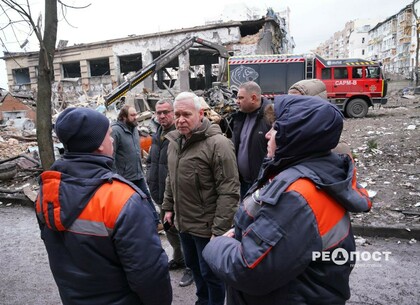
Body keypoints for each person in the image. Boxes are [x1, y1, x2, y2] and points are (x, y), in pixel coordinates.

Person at [203, 95, 372, 305]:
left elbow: (250, 270)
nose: (267, 135)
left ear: (293, 136)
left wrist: (218, 244)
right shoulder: (316, 174)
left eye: (274, 129)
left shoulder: (297, 196)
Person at [35, 107, 172, 305]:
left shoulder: (46, 193)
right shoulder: (122, 199)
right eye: (108, 135)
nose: (113, 140)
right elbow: (149, 274)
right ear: (98, 144)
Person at [162, 92, 240, 305]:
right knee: (195, 269)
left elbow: (229, 190)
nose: (180, 119)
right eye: (177, 114)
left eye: (186, 114)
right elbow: (172, 177)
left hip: (207, 229)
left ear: (201, 114)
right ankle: (202, 301)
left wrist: (219, 230)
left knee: (212, 275)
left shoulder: (218, 144)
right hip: (184, 224)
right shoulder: (174, 142)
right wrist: (168, 207)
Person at [146, 98, 193, 287]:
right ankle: (179, 258)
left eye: (166, 112)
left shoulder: (180, 134)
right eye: (159, 113)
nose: (163, 116)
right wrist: (150, 175)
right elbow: (151, 160)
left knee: (183, 231)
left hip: (176, 194)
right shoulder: (158, 132)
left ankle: (191, 267)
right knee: (169, 229)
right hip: (160, 191)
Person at [112, 105, 158, 223]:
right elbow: (111, 155)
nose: (135, 117)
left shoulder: (134, 130)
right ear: (123, 117)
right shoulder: (116, 131)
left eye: (135, 114)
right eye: (132, 115)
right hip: (125, 177)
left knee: (146, 197)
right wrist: (115, 176)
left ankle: (156, 222)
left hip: (137, 173)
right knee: (129, 204)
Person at [288, 79, 352, 156]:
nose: (291, 108)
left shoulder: (336, 148)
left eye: (298, 103)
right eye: (289, 102)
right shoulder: (284, 138)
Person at [232, 81, 271, 199]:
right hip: (243, 183)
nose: (237, 101)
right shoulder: (240, 116)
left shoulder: (270, 117)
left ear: (253, 98)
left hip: (261, 185)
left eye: (241, 98)